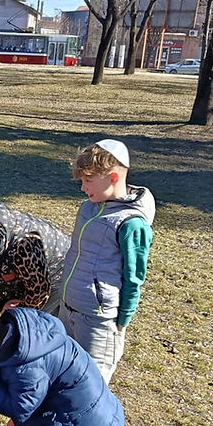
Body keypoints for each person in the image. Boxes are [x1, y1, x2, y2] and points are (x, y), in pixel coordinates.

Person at [60, 139, 155, 384]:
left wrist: (122, 321)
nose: (83, 188)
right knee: (61, 375)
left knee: (90, 385)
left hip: (98, 320)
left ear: (113, 177)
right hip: (68, 308)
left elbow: (134, 276)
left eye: (88, 181)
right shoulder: (88, 208)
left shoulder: (131, 224)